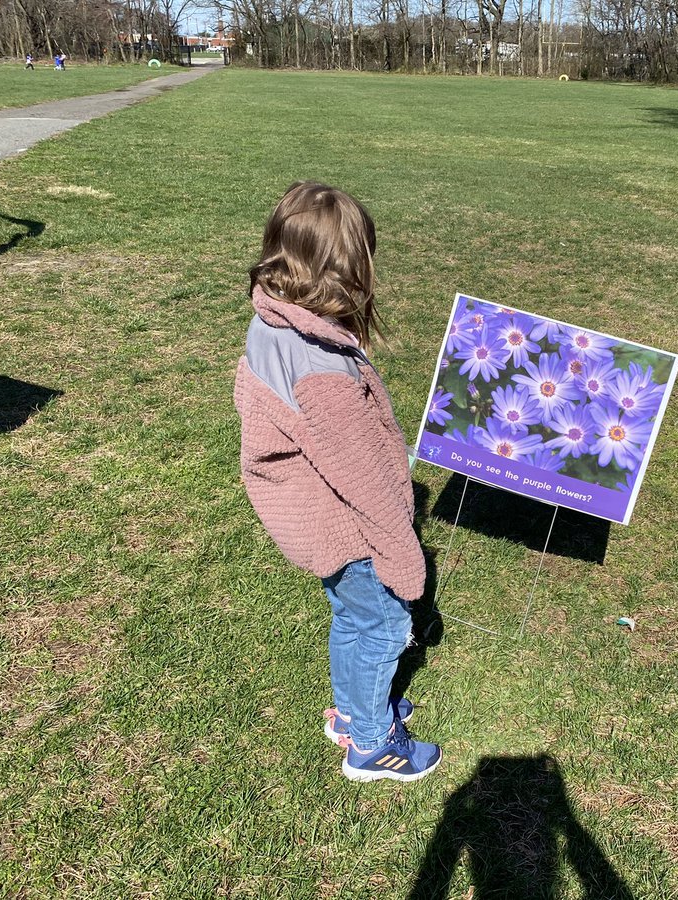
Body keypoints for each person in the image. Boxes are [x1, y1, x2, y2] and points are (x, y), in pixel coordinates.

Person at [233, 182, 441, 783]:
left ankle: (352, 712)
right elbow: (366, 484)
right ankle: (371, 745)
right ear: (348, 270)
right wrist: (405, 558)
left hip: (310, 524)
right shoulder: (322, 370)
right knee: (384, 625)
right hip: (346, 529)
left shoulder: (272, 323)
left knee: (351, 617)